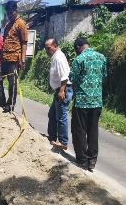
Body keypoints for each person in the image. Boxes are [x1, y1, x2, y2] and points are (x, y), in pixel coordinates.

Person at [69, 38, 107, 171]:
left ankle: (81, 159)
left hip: (82, 101)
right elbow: (104, 77)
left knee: (79, 130)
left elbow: (72, 78)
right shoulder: (101, 57)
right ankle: (92, 161)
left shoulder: (79, 60)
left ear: (78, 47)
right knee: (93, 130)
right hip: (96, 101)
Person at [45, 38, 73, 150]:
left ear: (55, 46)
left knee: (61, 117)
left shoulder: (58, 58)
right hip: (59, 90)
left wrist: (61, 91)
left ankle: (63, 142)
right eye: (46, 48)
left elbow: (64, 76)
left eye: (49, 48)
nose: (47, 51)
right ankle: (52, 137)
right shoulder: (55, 57)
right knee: (52, 114)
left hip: (64, 90)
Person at [1, 0, 28, 113]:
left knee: (12, 84)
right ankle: (1, 102)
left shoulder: (21, 24)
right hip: (4, 58)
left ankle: (10, 105)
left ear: (15, 11)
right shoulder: (7, 24)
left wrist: (22, 59)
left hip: (14, 59)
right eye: (7, 13)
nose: (9, 15)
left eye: (11, 13)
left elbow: (24, 43)